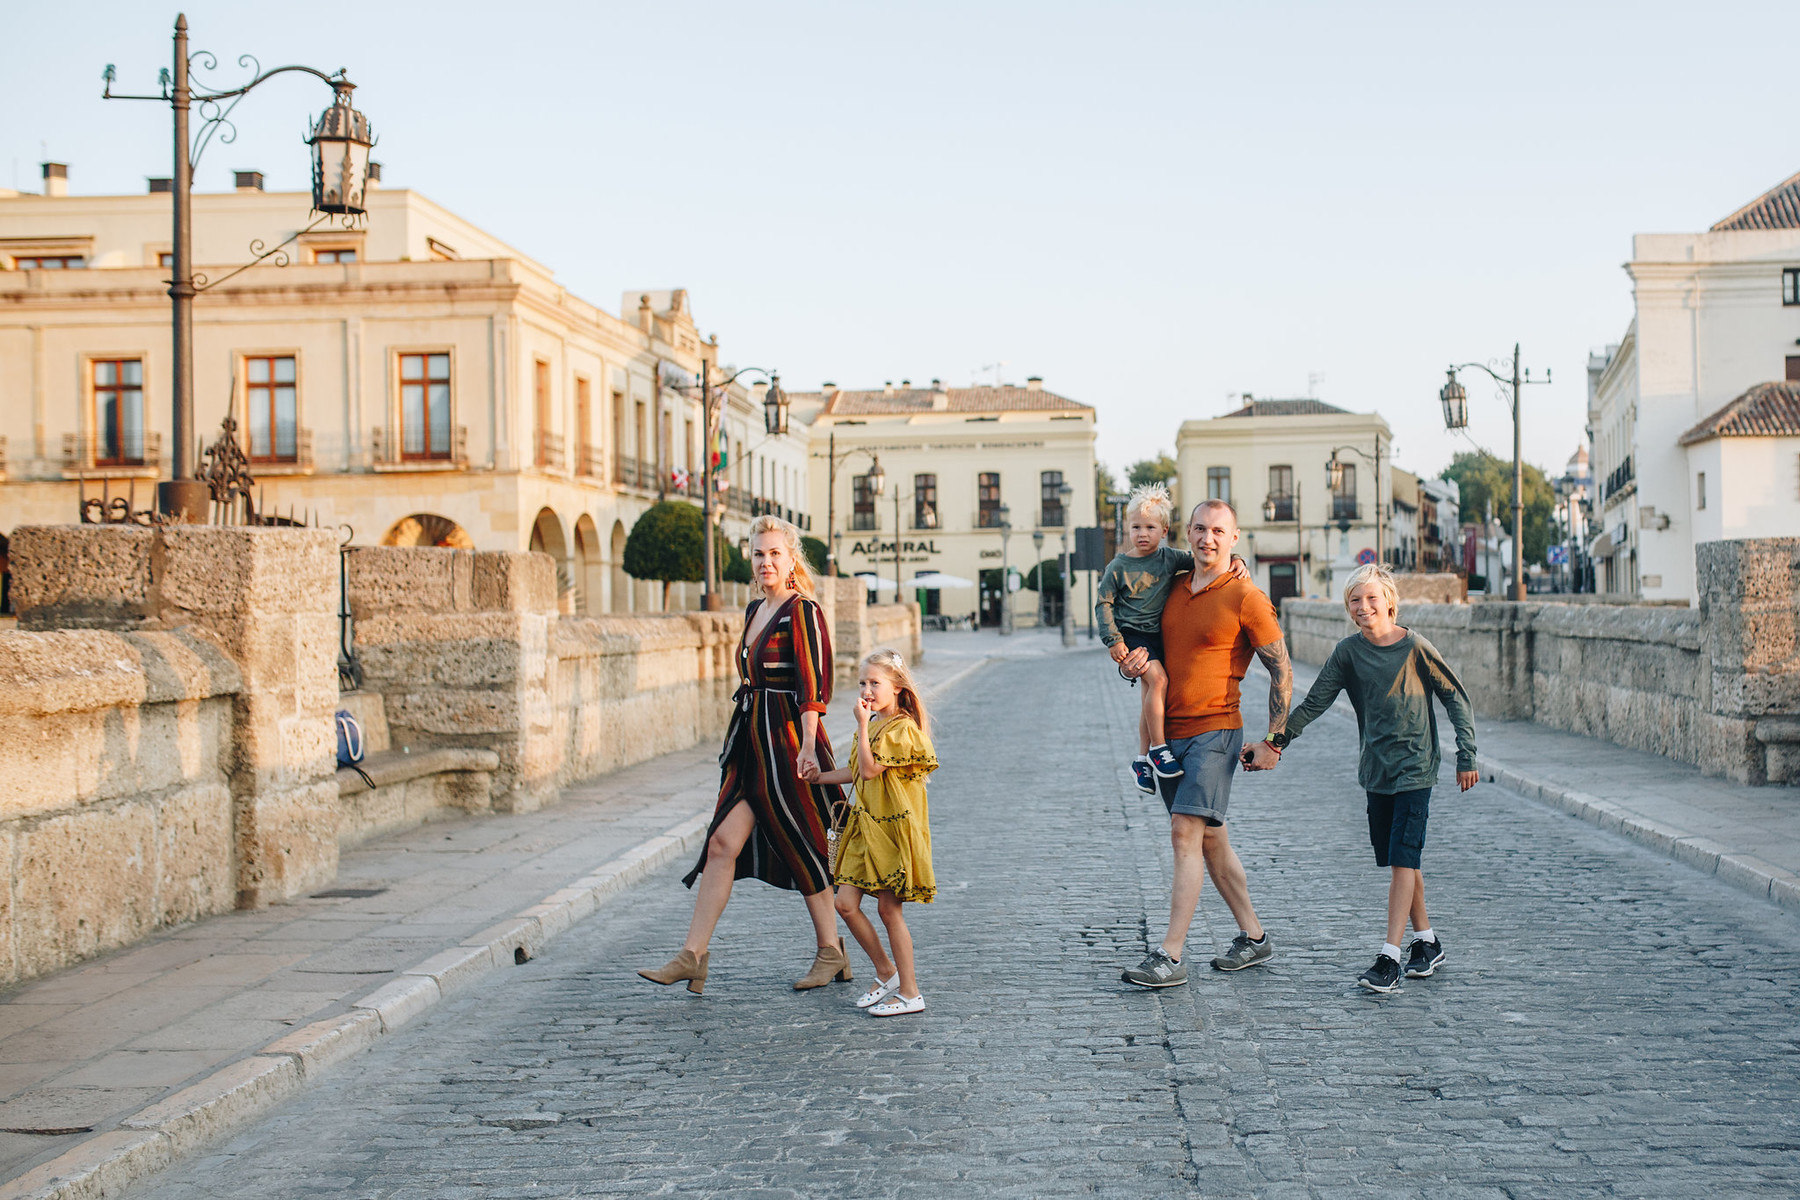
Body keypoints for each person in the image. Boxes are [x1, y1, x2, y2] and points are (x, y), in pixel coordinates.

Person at [639, 515, 851, 995]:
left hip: (789, 741)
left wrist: (808, 748)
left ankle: (831, 952)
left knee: (804, 841)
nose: (766, 562)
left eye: (775, 553)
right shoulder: (754, 610)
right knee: (721, 844)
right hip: (749, 740)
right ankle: (692, 956)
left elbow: (814, 684)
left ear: (791, 557)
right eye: (759, 554)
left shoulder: (804, 610)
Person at [1242, 562, 1478, 994]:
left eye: (1372, 598)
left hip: (1416, 766)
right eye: (1355, 600)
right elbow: (1314, 703)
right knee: (1400, 857)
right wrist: (1275, 741)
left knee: (1404, 860)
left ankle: (1389, 957)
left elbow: (1455, 698)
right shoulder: (1347, 653)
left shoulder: (1416, 648)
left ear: (1390, 601)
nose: (1364, 606)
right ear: (1348, 608)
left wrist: (1468, 755)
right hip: (1376, 771)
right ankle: (1427, 942)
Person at [1119, 499, 1292, 989]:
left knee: (1183, 832)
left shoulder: (1246, 596)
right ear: (1187, 532)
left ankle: (1169, 956)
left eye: (1219, 531)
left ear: (1235, 538)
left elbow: (1281, 667)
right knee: (1210, 840)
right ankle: (1254, 938)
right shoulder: (1170, 587)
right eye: (1199, 528)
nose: (1207, 539)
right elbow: (1144, 644)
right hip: (1167, 737)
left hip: (1216, 732)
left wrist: (1275, 739)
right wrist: (1130, 663)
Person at [803, 649, 937, 1017]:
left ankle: (911, 992)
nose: (867, 689)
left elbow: (870, 769)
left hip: (893, 831)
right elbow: (854, 770)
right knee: (845, 904)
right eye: (863, 682)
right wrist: (819, 779)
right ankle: (886, 972)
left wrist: (862, 725)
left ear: (896, 688)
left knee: (889, 910)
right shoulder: (876, 723)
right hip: (866, 827)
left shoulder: (902, 729)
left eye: (875, 683)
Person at [1096, 483, 1252, 796]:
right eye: (1136, 527)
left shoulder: (1169, 559)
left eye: (1150, 527)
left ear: (1164, 530)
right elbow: (1104, 603)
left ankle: (1141, 760)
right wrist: (1113, 640)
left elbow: (1205, 559)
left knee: (1149, 696)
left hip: (1158, 636)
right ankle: (1157, 748)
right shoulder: (1118, 567)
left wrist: (1237, 559)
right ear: (1127, 529)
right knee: (1160, 682)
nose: (1142, 534)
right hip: (1134, 635)